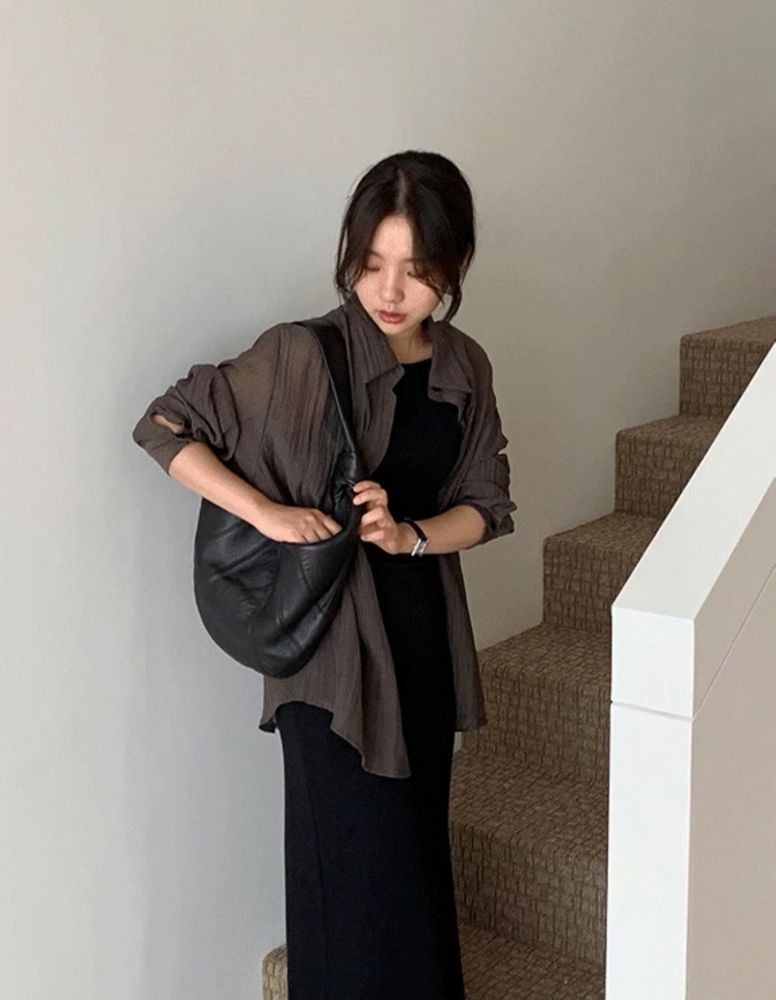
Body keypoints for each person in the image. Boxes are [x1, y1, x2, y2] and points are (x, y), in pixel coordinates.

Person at [131, 149, 516, 999]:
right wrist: (270, 514)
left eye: (416, 270)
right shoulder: (301, 356)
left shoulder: (465, 366)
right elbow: (164, 426)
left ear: (454, 266)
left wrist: (409, 535)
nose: (390, 290)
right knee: (346, 884)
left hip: (420, 642)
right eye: (372, 264)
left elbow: (487, 506)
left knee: (413, 870)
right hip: (331, 664)